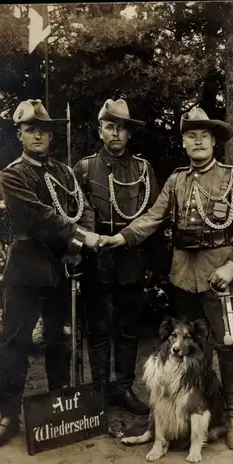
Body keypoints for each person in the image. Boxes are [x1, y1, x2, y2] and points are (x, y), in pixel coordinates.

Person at [99, 107, 233, 449]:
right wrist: (121, 237)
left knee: (227, 345)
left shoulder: (232, 177)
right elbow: (153, 217)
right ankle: (190, 412)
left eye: (204, 135)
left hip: (219, 276)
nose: (198, 141)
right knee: (187, 348)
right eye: (191, 136)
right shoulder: (176, 180)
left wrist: (232, 265)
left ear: (214, 142)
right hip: (183, 276)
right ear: (185, 143)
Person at [0, 99, 100, 449]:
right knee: (15, 341)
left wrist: (73, 250)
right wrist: (80, 237)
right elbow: (38, 216)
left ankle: (59, 409)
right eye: (31, 129)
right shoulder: (13, 175)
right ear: (19, 133)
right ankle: (8, 415)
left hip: (62, 268)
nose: (38, 135)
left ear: (51, 136)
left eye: (44, 130)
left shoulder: (65, 174)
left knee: (60, 339)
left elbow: (86, 211)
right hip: (26, 268)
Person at [73, 98, 160, 415]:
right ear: (100, 130)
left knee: (127, 327)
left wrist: (151, 263)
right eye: (110, 126)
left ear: (129, 134)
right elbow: (74, 215)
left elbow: (154, 216)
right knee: (98, 327)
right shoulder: (83, 169)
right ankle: (98, 392)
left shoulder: (144, 170)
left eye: (122, 128)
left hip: (131, 257)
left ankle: (123, 388)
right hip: (97, 259)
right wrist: (83, 252)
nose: (116, 134)